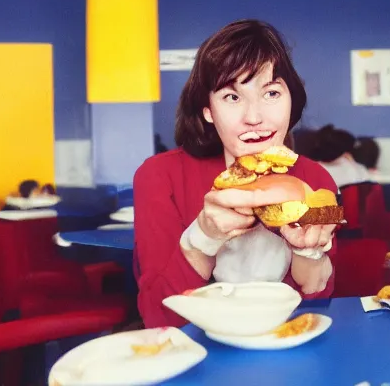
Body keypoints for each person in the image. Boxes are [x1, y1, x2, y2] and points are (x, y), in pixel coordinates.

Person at [133, 19, 338, 328]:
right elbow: (159, 316)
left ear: (291, 99)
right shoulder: (158, 176)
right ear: (207, 110)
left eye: (271, 93)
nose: (254, 117)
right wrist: (203, 238)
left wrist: (308, 251)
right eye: (232, 97)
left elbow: (318, 306)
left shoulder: (318, 180)